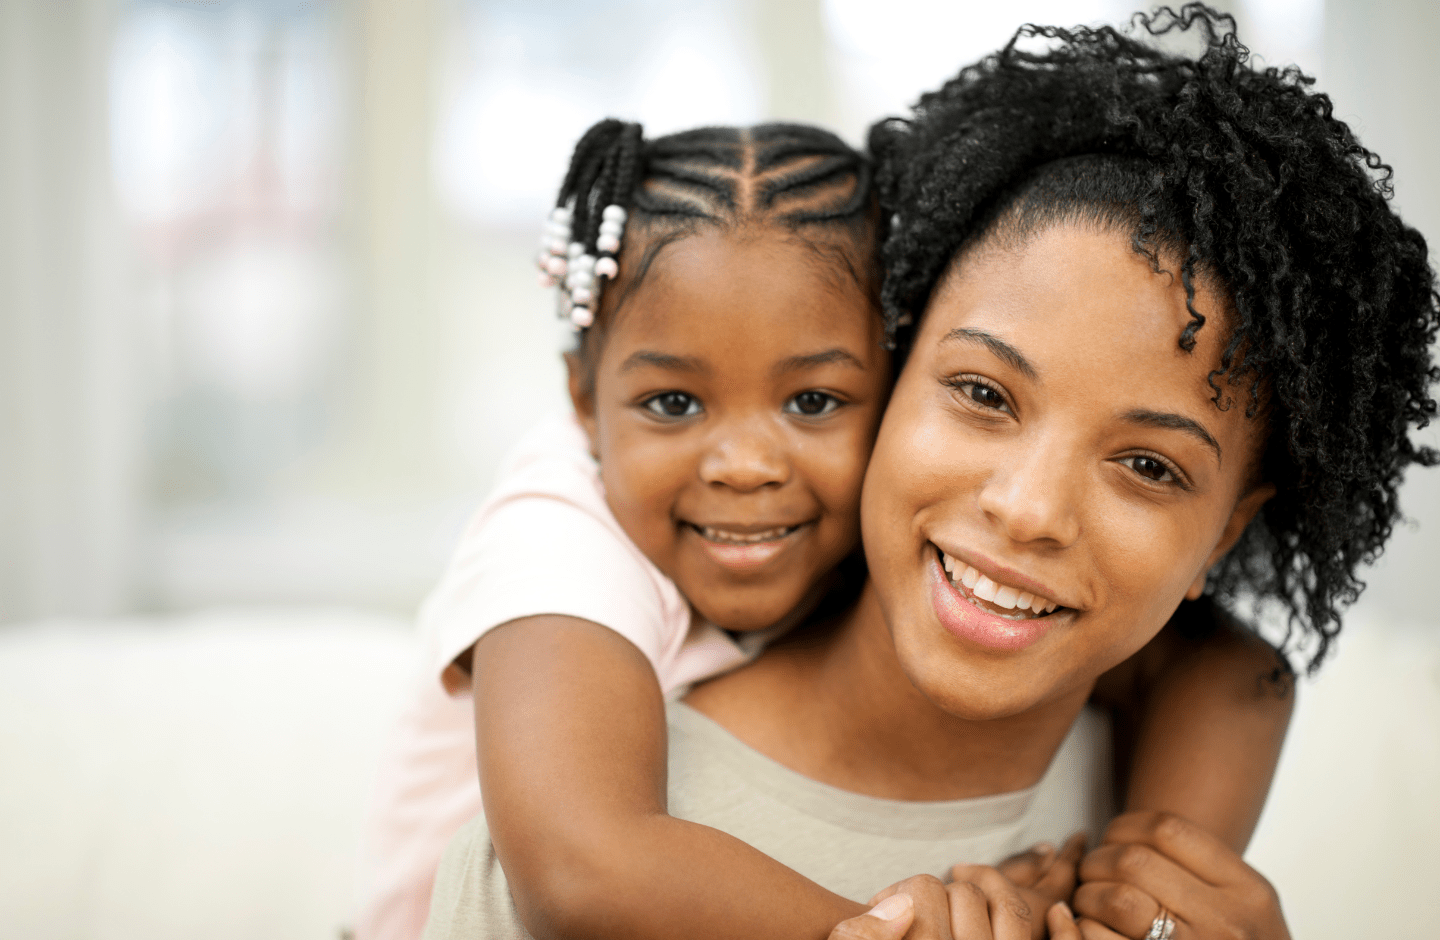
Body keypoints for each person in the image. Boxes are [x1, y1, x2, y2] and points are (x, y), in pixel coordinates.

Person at [418, 5, 1437, 939]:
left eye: (1146, 464)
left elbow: (1240, 669)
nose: (1027, 509)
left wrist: (1154, 887)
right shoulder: (579, 821)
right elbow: (581, 865)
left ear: (1223, 532)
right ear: (893, 369)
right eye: (985, 394)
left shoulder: (1159, 794)